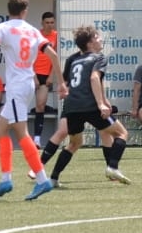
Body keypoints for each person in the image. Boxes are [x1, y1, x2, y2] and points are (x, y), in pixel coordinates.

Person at [0, 0, 60, 200]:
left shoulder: (3, 28)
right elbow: (53, 55)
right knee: (0, 130)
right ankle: (6, 179)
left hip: (17, 87)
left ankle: (42, 180)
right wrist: (61, 83)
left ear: (9, 10)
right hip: (26, 84)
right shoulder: (33, 31)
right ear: (25, 11)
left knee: (21, 133)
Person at [39, 25, 131, 186]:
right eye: (97, 37)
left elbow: (71, 82)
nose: (101, 39)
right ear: (90, 43)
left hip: (72, 107)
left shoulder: (75, 60)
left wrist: (104, 100)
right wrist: (101, 104)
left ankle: (53, 178)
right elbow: (94, 78)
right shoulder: (98, 58)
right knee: (121, 133)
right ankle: (113, 167)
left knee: (74, 143)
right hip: (89, 105)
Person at [31, 11, 58, 147]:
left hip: (45, 76)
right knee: (19, 104)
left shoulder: (56, 36)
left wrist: (51, 75)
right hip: (31, 74)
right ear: (42, 23)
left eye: (52, 22)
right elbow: (28, 57)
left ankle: (37, 139)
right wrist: (33, 75)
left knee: (40, 105)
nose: (49, 25)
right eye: (47, 22)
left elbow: (56, 57)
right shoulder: (36, 35)